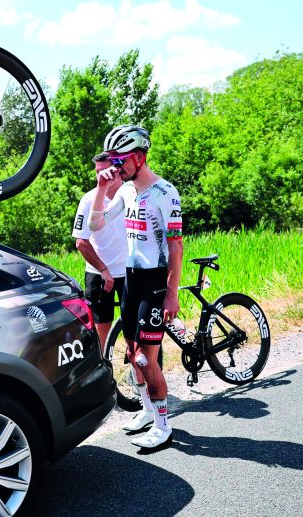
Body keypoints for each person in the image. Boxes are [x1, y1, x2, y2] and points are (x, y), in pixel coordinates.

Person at [88, 125, 183, 449]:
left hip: (155, 281)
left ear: (139, 158)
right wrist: (102, 189)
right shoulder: (125, 191)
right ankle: (146, 410)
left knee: (145, 359)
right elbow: (96, 224)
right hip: (131, 279)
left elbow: (176, 247)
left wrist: (172, 294)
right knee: (131, 352)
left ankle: (163, 424)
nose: (115, 166)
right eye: (111, 159)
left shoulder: (165, 193)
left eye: (120, 159)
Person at [72, 152, 128, 352]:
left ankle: (141, 373)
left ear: (118, 170)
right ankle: (102, 367)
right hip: (99, 273)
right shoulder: (89, 200)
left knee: (134, 324)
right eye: (97, 172)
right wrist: (104, 270)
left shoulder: (131, 194)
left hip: (129, 271)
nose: (100, 176)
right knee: (101, 324)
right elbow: (81, 242)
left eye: (105, 171)